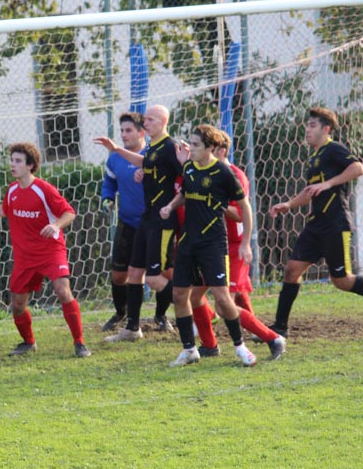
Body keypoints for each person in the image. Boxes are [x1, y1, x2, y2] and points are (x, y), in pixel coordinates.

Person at [267, 107, 363, 336]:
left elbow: (358, 168)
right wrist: (289, 204)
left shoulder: (334, 149)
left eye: (312, 125)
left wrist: (328, 183)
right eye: (307, 125)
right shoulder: (314, 157)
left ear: (326, 129)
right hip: (316, 224)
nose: (307, 130)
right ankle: (280, 327)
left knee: (341, 280)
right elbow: (311, 191)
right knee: (292, 270)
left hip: (335, 224)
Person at [0, 142, 91, 357]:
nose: (13, 164)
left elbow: (69, 212)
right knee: (17, 304)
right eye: (12, 160)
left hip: (50, 251)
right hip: (25, 257)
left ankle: (80, 342)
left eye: (18, 161)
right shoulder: (12, 190)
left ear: (30, 165)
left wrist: (55, 225)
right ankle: (28, 342)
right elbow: (6, 210)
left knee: (63, 291)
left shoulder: (43, 189)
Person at [160, 124, 257, 366]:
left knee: (222, 299)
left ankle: (240, 347)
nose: (190, 149)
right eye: (191, 144)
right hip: (188, 242)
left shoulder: (224, 172)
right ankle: (189, 350)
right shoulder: (190, 168)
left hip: (213, 243)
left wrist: (246, 243)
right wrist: (170, 206)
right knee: (179, 294)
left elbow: (244, 208)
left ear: (211, 148)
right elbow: (185, 193)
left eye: (195, 145)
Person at [189, 130, 286, 360]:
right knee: (195, 296)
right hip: (210, 244)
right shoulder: (203, 171)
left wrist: (215, 204)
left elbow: (240, 213)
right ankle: (210, 345)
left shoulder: (233, 175)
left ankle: (273, 338)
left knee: (224, 305)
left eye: (201, 146)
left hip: (232, 246)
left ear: (220, 151)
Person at [94, 104, 183, 341]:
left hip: (162, 221)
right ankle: (132, 328)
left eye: (150, 119)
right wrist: (137, 167)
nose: (146, 123)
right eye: (145, 119)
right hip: (146, 218)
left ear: (163, 121)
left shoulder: (171, 147)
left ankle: (192, 309)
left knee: (156, 277)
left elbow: (186, 178)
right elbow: (147, 165)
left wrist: (172, 205)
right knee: (133, 273)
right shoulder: (152, 148)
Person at [99, 111, 147, 331]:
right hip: (127, 222)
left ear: (141, 132)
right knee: (119, 275)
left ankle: (161, 316)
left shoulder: (152, 155)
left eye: (128, 130)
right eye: (122, 131)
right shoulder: (115, 158)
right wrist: (107, 198)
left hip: (152, 224)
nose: (124, 135)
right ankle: (121, 312)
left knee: (160, 275)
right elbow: (109, 183)